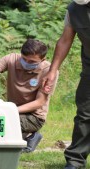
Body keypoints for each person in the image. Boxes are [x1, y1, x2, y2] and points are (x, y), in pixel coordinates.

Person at [0, 39, 58, 153]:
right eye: (24, 59)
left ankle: (28, 137)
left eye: (32, 61)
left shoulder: (49, 72)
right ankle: (25, 136)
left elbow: (39, 102)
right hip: (13, 110)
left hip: (34, 116)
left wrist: (9, 110)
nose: (27, 63)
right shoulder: (11, 59)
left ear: (42, 60)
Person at [42, 1, 90, 168]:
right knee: (85, 113)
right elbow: (65, 40)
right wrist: (53, 70)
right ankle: (75, 160)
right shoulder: (74, 10)